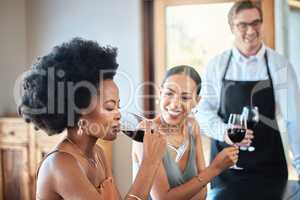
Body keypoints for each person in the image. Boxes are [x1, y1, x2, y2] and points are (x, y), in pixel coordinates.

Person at [17, 38, 167, 200]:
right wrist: (149, 163)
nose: (118, 114)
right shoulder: (61, 164)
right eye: (110, 107)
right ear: (78, 115)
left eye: (118, 105)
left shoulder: (98, 154)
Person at [196, 1, 300, 189]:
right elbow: (202, 111)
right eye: (243, 25)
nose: (251, 31)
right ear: (231, 27)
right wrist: (224, 132)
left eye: (255, 23)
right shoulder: (217, 65)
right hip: (225, 167)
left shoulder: (280, 65)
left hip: (269, 167)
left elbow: (295, 120)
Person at [132, 66, 239, 200]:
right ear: (160, 93)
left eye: (185, 97)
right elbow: (162, 198)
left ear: (196, 101)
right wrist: (215, 169)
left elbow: (203, 193)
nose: (175, 104)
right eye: (169, 93)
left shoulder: (192, 126)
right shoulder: (145, 131)